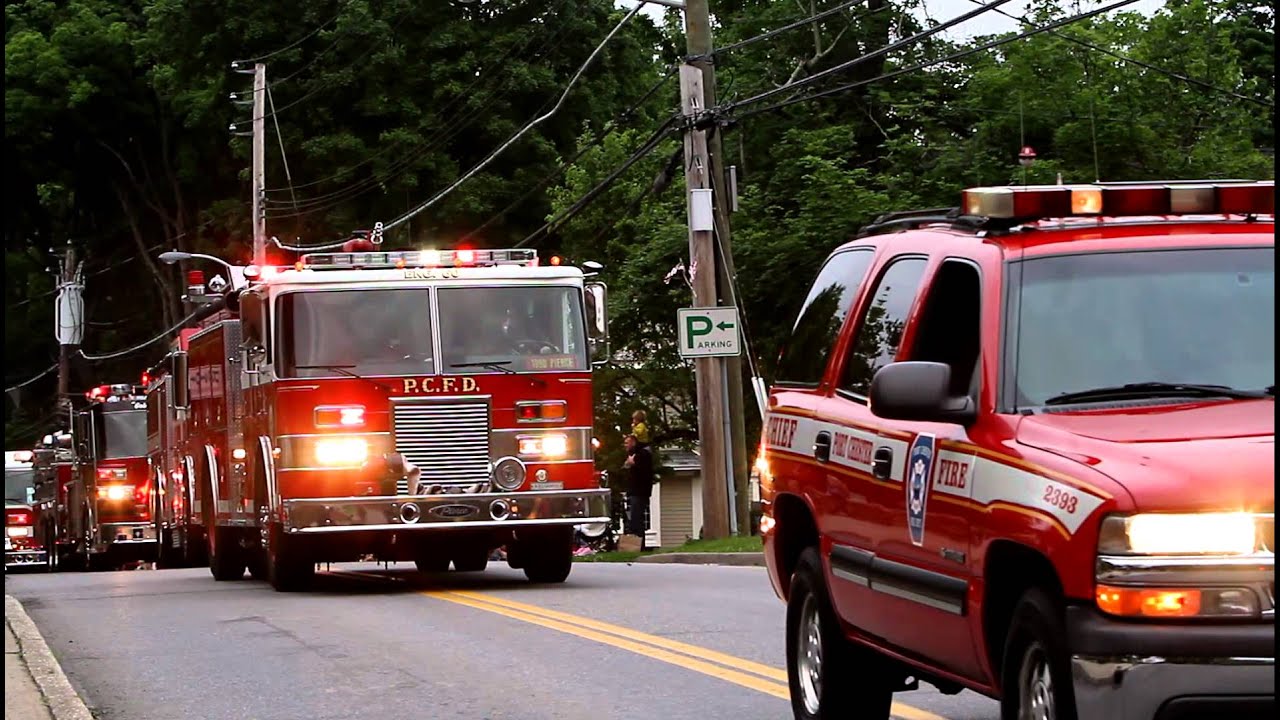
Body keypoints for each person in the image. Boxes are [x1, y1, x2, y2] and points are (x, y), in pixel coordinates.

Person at [622, 434, 655, 549]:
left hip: (640, 492)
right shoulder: (634, 454)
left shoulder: (643, 454)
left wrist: (633, 462)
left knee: (637, 519)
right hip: (634, 491)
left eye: (627, 443)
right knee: (633, 519)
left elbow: (644, 471)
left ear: (633, 442)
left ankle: (638, 546)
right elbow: (626, 465)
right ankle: (636, 545)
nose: (625, 445)